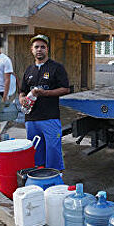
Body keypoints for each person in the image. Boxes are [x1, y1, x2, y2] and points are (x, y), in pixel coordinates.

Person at [19, 34, 70, 170]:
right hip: (31, 119)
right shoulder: (29, 70)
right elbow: (22, 91)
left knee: (53, 151)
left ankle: (56, 178)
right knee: (35, 151)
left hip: (50, 117)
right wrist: (22, 98)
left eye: (43, 47)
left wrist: (45, 93)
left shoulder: (56, 68)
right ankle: (39, 176)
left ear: (47, 49)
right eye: (36, 47)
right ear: (32, 49)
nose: (39, 49)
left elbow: (65, 89)